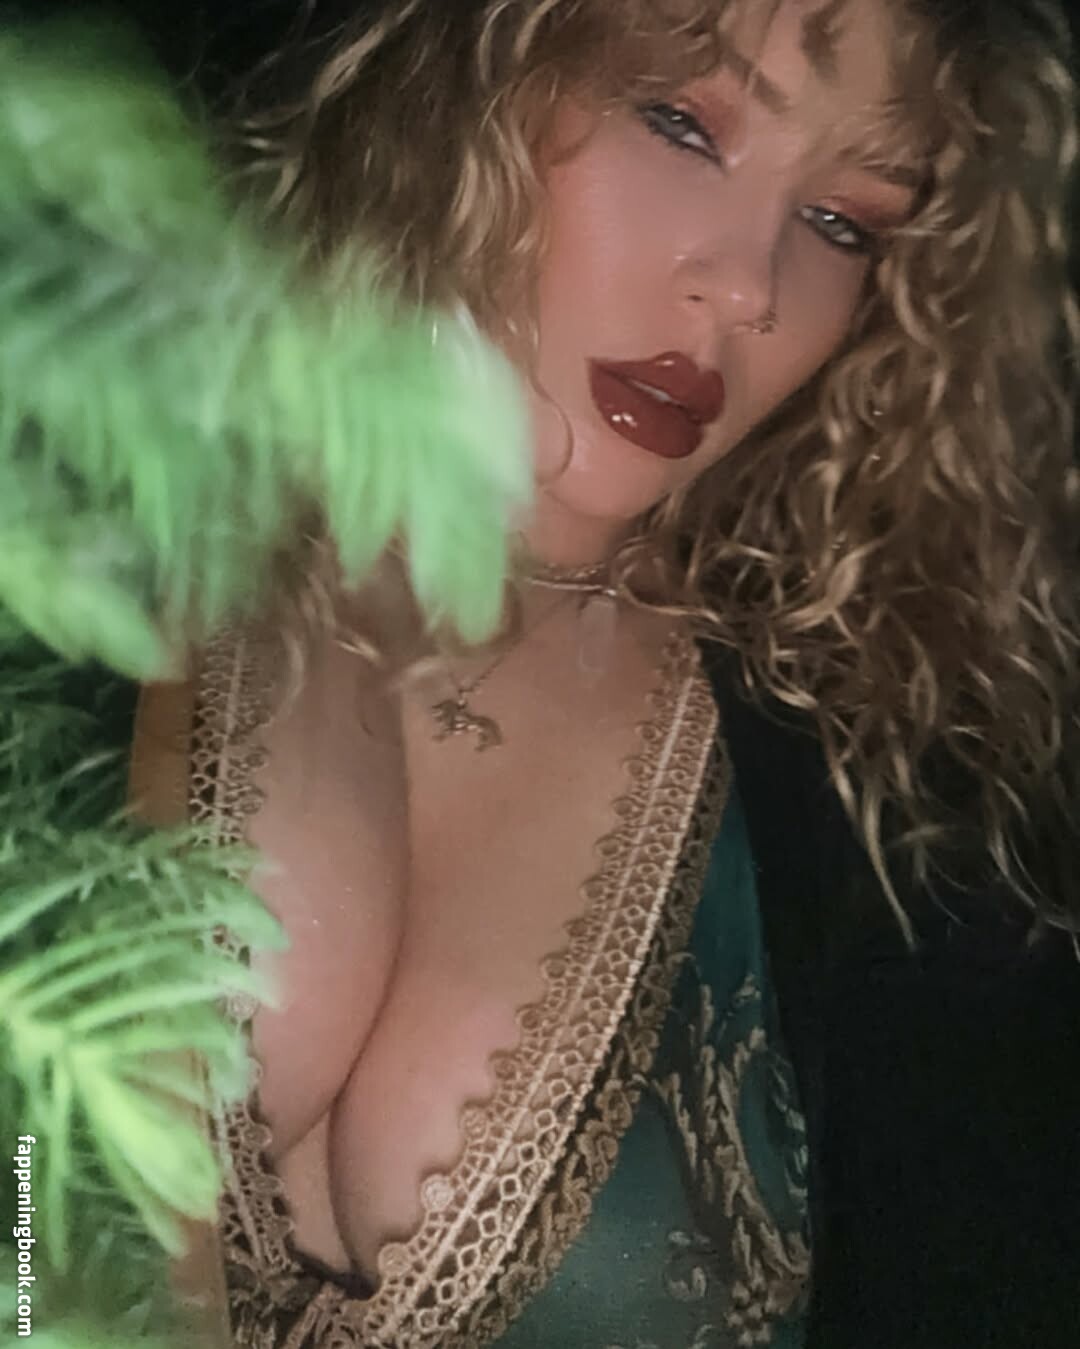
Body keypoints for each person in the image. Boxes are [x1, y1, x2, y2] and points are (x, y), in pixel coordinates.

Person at [130, 0, 1080, 1345]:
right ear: (471, 71)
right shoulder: (80, 483)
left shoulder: (890, 815)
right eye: (682, 123)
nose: (746, 287)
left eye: (841, 222)